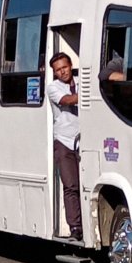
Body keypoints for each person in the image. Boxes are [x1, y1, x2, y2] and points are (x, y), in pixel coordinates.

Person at [47, 52, 82, 241]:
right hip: (64, 141)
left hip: (84, 140)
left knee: (85, 184)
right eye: (58, 70)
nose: (62, 72)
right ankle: (75, 226)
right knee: (70, 185)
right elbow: (67, 101)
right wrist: (90, 94)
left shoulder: (81, 81)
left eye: (65, 67)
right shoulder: (53, 88)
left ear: (70, 65)